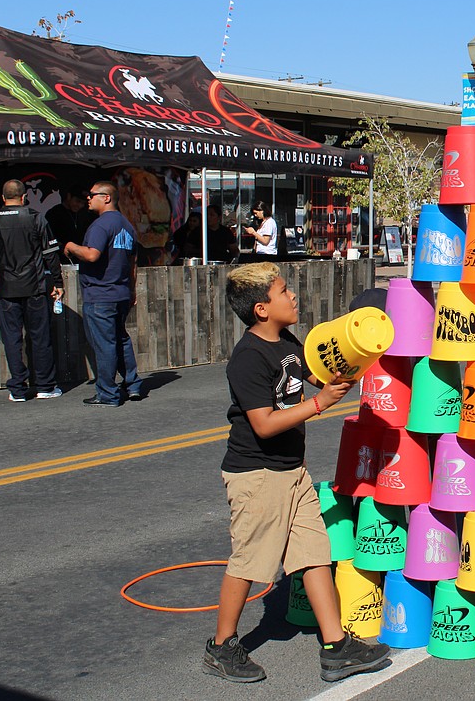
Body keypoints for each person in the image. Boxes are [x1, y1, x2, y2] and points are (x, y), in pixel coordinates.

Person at [204, 262, 390, 684]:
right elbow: (265, 423)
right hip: (257, 474)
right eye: (284, 291)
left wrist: (354, 357)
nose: (293, 296)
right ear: (261, 309)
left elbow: (317, 371)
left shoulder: (285, 341)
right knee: (251, 563)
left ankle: (336, 647)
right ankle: (221, 646)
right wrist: (321, 402)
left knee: (314, 554)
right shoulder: (247, 359)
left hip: (292, 471)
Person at [0, 179, 64, 402]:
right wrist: (58, 283)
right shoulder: (35, 217)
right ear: (24, 197)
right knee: (40, 338)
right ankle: (45, 386)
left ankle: (18, 389)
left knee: (12, 339)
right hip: (35, 288)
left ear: (3, 198)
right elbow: (51, 254)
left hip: (6, 289)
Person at [64, 182, 145, 406]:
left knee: (105, 344)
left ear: (106, 198)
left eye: (92, 195)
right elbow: (133, 263)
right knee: (120, 339)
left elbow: (91, 255)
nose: (88, 199)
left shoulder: (101, 225)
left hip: (100, 294)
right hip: (119, 293)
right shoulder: (127, 225)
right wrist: (131, 290)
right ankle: (133, 385)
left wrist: (71, 246)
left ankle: (108, 393)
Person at [45, 186, 94, 263]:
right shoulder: (54, 213)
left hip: (80, 260)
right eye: (77, 201)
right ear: (69, 196)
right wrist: (62, 247)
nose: (80, 205)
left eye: (83, 203)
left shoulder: (84, 214)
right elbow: (48, 239)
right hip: (60, 260)